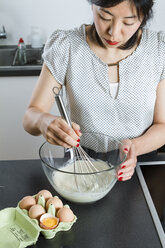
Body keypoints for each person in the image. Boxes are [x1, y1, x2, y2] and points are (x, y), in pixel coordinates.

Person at [23, 0, 165, 182]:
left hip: (139, 166)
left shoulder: (159, 49)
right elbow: (30, 117)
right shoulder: (66, 45)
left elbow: (162, 125)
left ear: (144, 17)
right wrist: (44, 121)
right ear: (92, 6)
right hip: (80, 164)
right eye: (104, 17)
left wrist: (134, 147)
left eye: (128, 22)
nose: (113, 32)